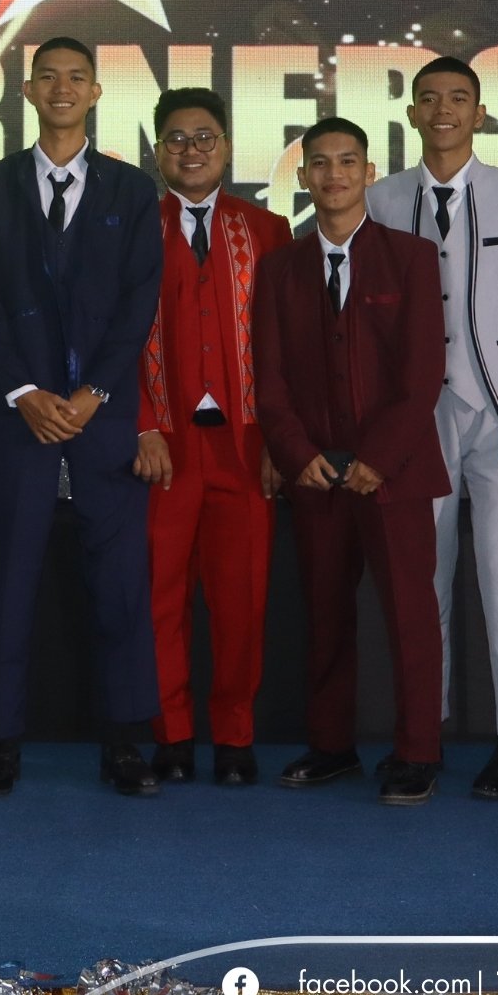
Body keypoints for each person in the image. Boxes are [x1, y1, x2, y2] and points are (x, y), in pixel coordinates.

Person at [0, 37, 164, 796]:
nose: (62, 88)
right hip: (24, 415)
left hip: (102, 416)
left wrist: (96, 392)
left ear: (97, 92)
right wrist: (21, 390)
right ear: (28, 90)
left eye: (77, 77)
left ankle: (124, 741)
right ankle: (1, 742)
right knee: (10, 577)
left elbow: (139, 301)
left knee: (119, 581)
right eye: (48, 76)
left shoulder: (131, 189)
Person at [367, 57, 498, 801]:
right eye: (429, 98)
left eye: (459, 98)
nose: (443, 109)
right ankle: (424, 729)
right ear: (412, 113)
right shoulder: (381, 197)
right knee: (423, 578)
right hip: (415, 420)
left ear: (480, 113)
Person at [254, 117, 449, 805]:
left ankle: (419, 751)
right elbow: (269, 381)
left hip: (393, 475)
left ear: (369, 173)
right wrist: (295, 454)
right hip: (314, 476)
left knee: (410, 616)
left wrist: (379, 458)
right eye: (319, 163)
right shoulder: (279, 268)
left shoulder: (411, 257)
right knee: (325, 616)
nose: (333, 174)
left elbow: (422, 376)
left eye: (346, 161)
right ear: (304, 175)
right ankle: (331, 746)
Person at [131, 87, 291, 787]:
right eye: (176, 138)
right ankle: (171, 734)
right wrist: (141, 423)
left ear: (226, 146)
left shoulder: (267, 228)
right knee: (159, 598)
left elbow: (288, 346)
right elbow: (110, 340)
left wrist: (281, 440)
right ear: (157, 151)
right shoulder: (133, 227)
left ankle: (234, 735)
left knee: (240, 599)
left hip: (244, 445)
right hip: (163, 444)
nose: (190, 150)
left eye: (204, 137)